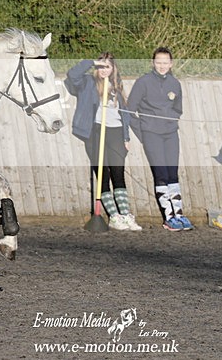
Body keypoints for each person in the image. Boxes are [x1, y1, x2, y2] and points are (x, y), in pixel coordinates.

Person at [65, 53, 142, 231]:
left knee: (118, 173)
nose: (103, 70)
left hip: (116, 132)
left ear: (113, 68)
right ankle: (114, 216)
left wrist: (126, 137)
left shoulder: (117, 87)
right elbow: (72, 75)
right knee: (103, 175)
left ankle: (125, 214)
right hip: (96, 132)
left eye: (107, 66)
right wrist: (91, 62)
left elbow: (125, 115)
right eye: (100, 66)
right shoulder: (87, 83)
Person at [127, 46, 194, 231]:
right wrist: (143, 132)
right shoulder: (143, 82)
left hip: (171, 134)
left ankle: (179, 213)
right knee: (161, 174)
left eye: (165, 62)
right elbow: (129, 111)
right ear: (153, 63)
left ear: (171, 64)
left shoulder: (175, 83)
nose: (162, 66)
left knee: (172, 173)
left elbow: (178, 109)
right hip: (151, 134)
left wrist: (171, 121)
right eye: (158, 62)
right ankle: (168, 217)